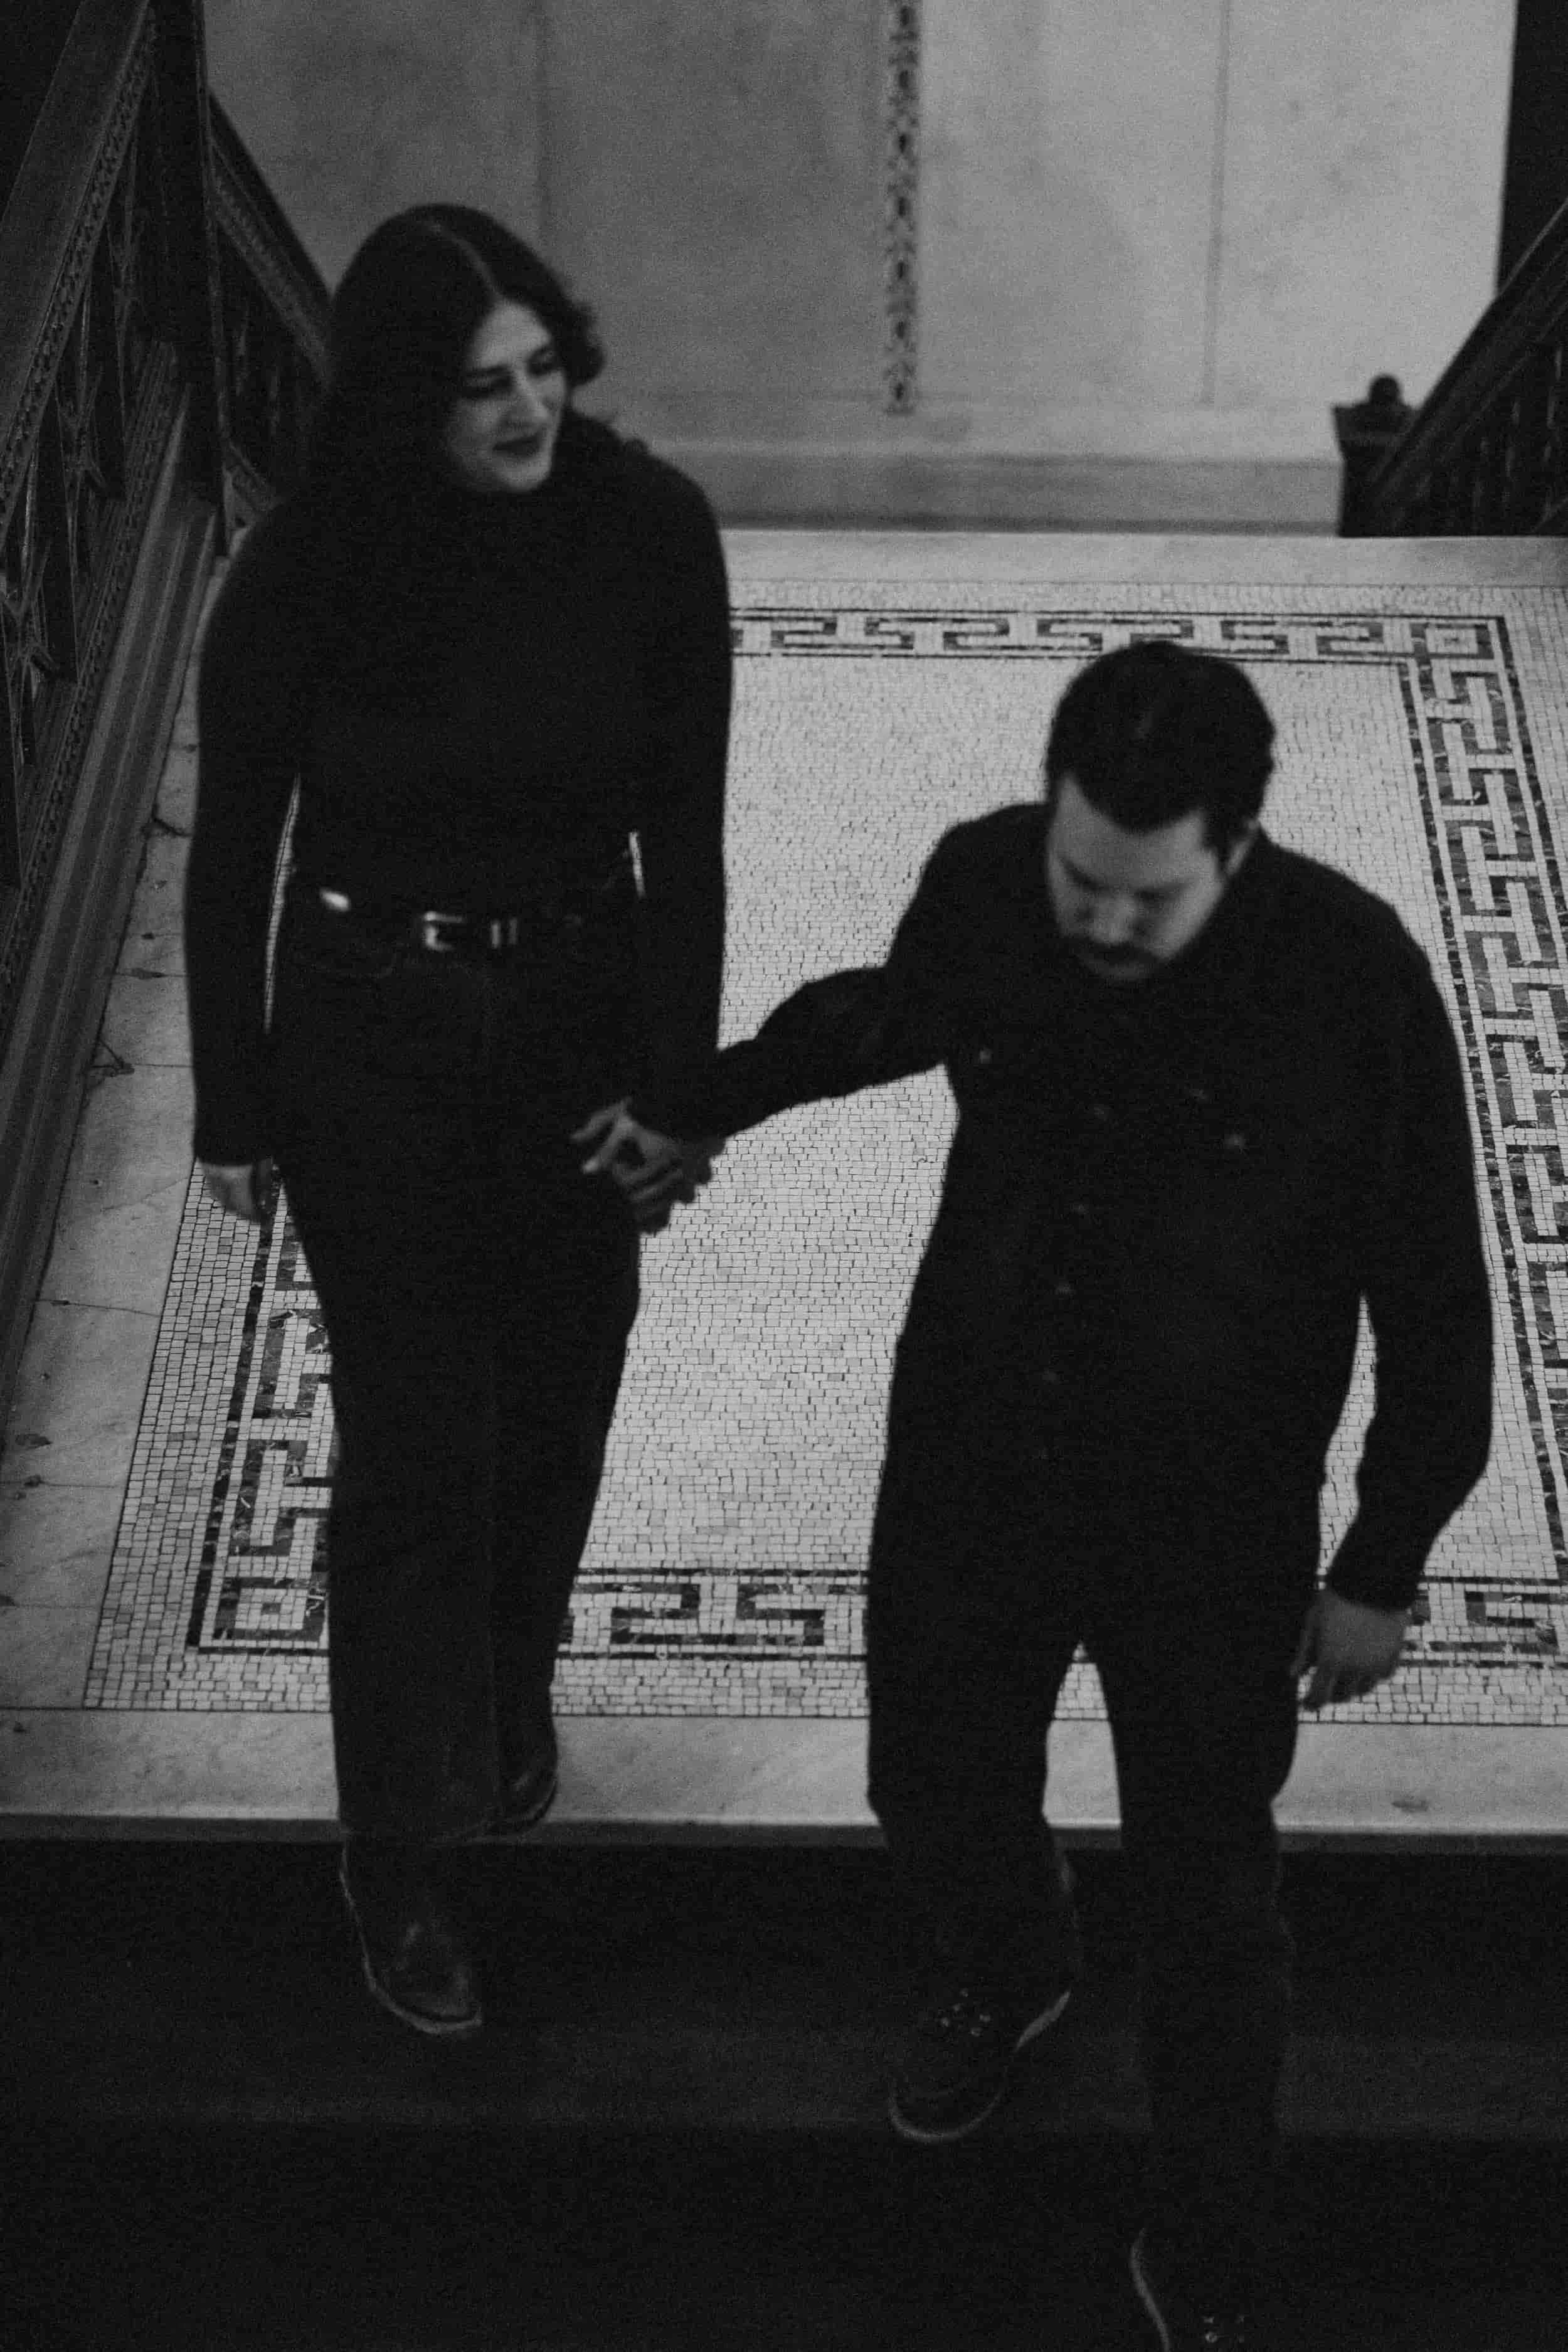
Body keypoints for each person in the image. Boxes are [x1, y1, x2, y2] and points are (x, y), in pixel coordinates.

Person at [577, 642, 1493, 2349]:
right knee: (928, 1775)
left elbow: (1436, 1289)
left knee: (1210, 1889)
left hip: (1212, 1515)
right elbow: (882, 1014)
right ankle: (1013, 1965)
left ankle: (1209, 2232)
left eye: (1150, 896)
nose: (1105, 921)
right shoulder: (992, 877)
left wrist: (1383, 1559)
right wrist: (700, 1104)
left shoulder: (1353, 980)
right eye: (1084, 879)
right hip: (979, 1447)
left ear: (1237, 846)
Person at [184, 206, 729, 2040]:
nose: (528, 410)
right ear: (403, 400)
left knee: (565, 1391)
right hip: (374, 1030)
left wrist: (682, 1091)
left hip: (578, 1010)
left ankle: (510, 1674)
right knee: (416, 1446)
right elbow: (235, 849)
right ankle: (394, 1848)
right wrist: (232, 1104)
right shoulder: (305, 566)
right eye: (482, 385)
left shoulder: (650, 532)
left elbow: (689, 841)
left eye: (544, 367)